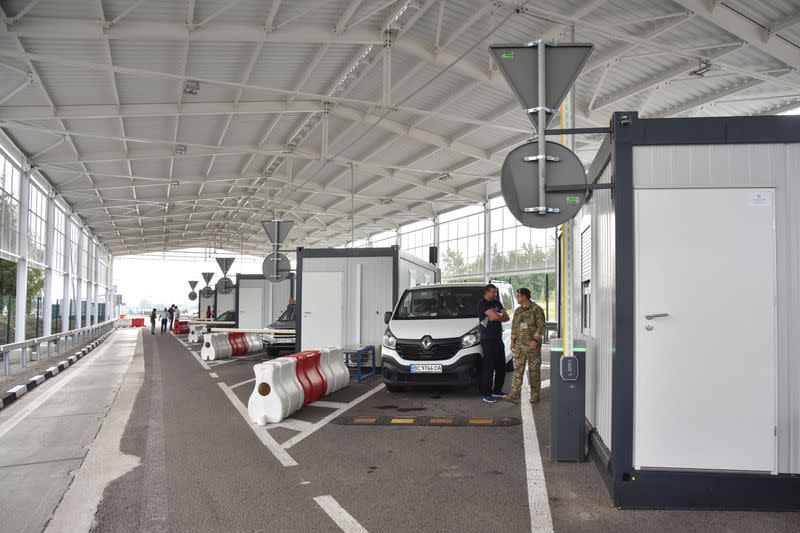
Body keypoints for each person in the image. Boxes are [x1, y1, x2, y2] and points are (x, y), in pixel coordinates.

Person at [505, 288, 547, 405]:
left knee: (534, 372)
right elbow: (515, 326)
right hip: (519, 345)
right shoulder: (518, 311)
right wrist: (512, 341)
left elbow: (541, 326)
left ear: (524, 297)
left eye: (518, 296)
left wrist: (535, 339)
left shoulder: (536, 309)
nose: (517, 298)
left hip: (532, 346)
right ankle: (514, 395)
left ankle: (535, 396)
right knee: (517, 371)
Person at [477, 284, 509, 403]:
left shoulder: (497, 303)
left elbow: (506, 318)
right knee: (489, 367)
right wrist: (497, 316)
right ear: (487, 292)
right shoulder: (482, 304)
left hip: (498, 339)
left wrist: (497, 316)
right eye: (493, 292)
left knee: (501, 366)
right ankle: (487, 394)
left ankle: (497, 390)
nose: (495, 294)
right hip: (487, 339)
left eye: (496, 292)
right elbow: (496, 316)